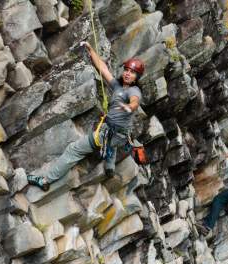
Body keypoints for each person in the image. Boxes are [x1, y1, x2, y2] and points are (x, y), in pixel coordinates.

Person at [27, 42, 144, 191]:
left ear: (136, 77)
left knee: (73, 150)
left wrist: (129, 107)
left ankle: (45, 180)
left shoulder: (134, 91)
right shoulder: (118, 86)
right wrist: (90, 49)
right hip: (118, 133)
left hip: (110, 134)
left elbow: (135, 101)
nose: (127, 73)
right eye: (126, 70)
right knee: (112, 141)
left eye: (132, 72)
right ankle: (109, 167)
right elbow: (103, 68)